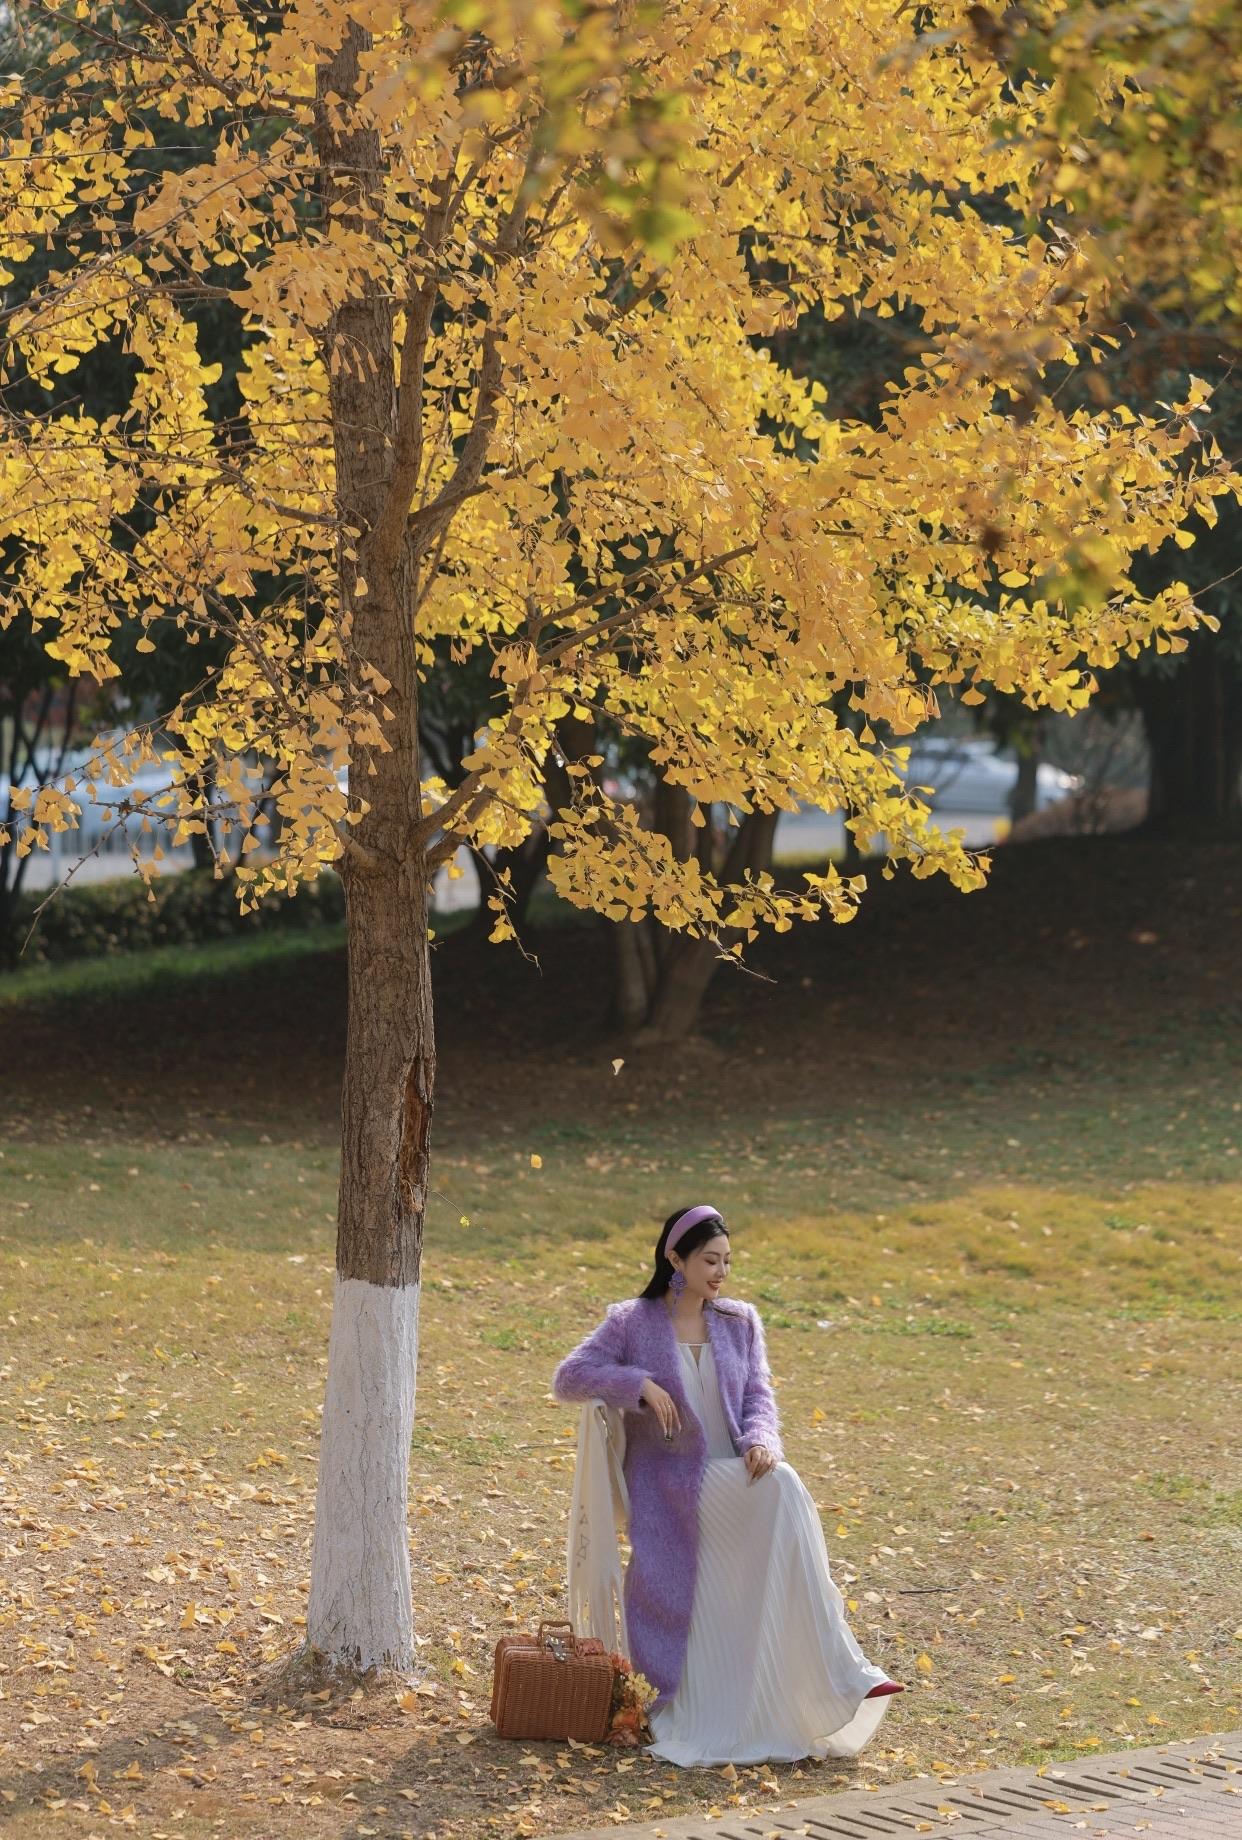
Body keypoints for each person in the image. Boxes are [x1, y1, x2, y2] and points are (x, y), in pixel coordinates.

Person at [552, 1203, 904, 1767]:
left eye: (727, 1262)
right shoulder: (632, 1322)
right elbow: (569, 1378)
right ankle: (845, 1672)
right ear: (676, 1259)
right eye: (710, 1261)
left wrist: (762, 1440)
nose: (721, 1273)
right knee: (785, 1491)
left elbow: (757, 1398)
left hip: (733, 1474)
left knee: (781, 1483)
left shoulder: (739, 1321)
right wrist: (638, 1382)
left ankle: (838, 1676)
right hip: (669, 1488)